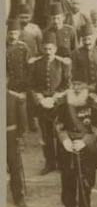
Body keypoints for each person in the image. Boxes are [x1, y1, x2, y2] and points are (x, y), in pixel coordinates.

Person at [54, 80, 97, 207]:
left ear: (86, 85)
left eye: (80, 84)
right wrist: (65, 140)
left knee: (86, 179)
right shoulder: (63, 102)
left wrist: (85, 141)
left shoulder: (94, 103)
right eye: (73, 84)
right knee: (67, 178)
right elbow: (59, 124)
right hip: (68, 146)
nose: (76, 88)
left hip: (86, 147)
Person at [29, 30, 72, 174]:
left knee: (60, 133)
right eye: (45, 48)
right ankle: (50, 162)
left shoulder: (62, 64)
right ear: (42, 48)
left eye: (51, 49)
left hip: (58, 104)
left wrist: (54, 98)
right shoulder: (36, 63)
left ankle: (61, 162)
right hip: (42, 105)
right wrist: (40, 98)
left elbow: (67, 84)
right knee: (46, 135)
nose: (48, 52)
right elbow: (32, 84)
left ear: (55, 49)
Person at [71, 24, 97, 90]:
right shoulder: (75, 53)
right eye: (84, 40)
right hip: (82, 87)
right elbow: (73, 72)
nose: (87, 42)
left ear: (94, 38)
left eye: (89, 39)